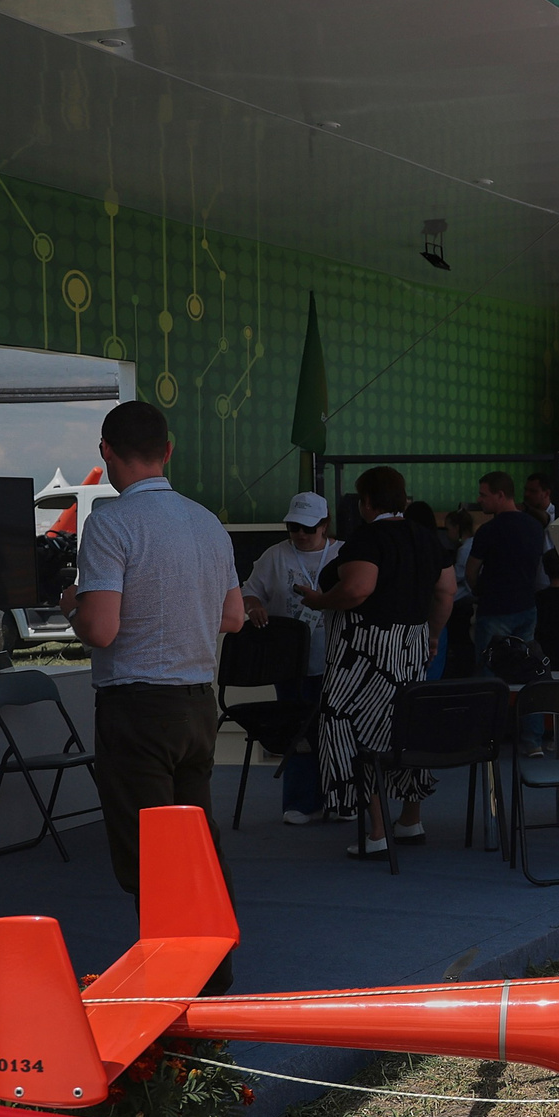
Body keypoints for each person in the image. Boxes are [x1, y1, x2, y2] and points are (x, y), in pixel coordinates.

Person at [61, 401, 245, 988]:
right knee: (197, 848)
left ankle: (174, 982)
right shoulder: (207, 523)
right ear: (168, 451)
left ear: (106, 453)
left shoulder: (111, 523)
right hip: (197, 703)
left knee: (148, 858)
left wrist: (72, 604)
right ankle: (215, 972)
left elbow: (102, 629)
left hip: (136, 706)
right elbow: (235, 618)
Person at [301, 466, 457, 859]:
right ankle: (410, 818)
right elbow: (446, 590)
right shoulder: (426, 537)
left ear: (367, 502)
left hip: (365, 653)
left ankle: (376, 831)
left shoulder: (369, 537)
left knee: (352, 727)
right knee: (406, 726)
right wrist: (434, 633)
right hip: (412, 646)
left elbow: (358, 589)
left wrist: (320, 601)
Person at [240, 492, 342, 824]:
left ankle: (342, 798)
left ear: (324, 526)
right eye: (294, 527)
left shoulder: (342, 554)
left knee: (337, 731)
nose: (300, 534)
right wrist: (254, 605)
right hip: (290, 662)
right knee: (297, 730)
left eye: (308, 528)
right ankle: (301, 800)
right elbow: (249, 589)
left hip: (335, 658)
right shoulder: (276, 556)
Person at [465, 470, 547, 665]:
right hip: (527, 606)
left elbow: (470, 571)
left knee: (489, 668)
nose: (479, 499)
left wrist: (479, 591)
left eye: (484, 495)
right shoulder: (535, 527)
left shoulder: (488, 530)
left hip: (495, 608)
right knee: (523, 666)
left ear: (500, 495)